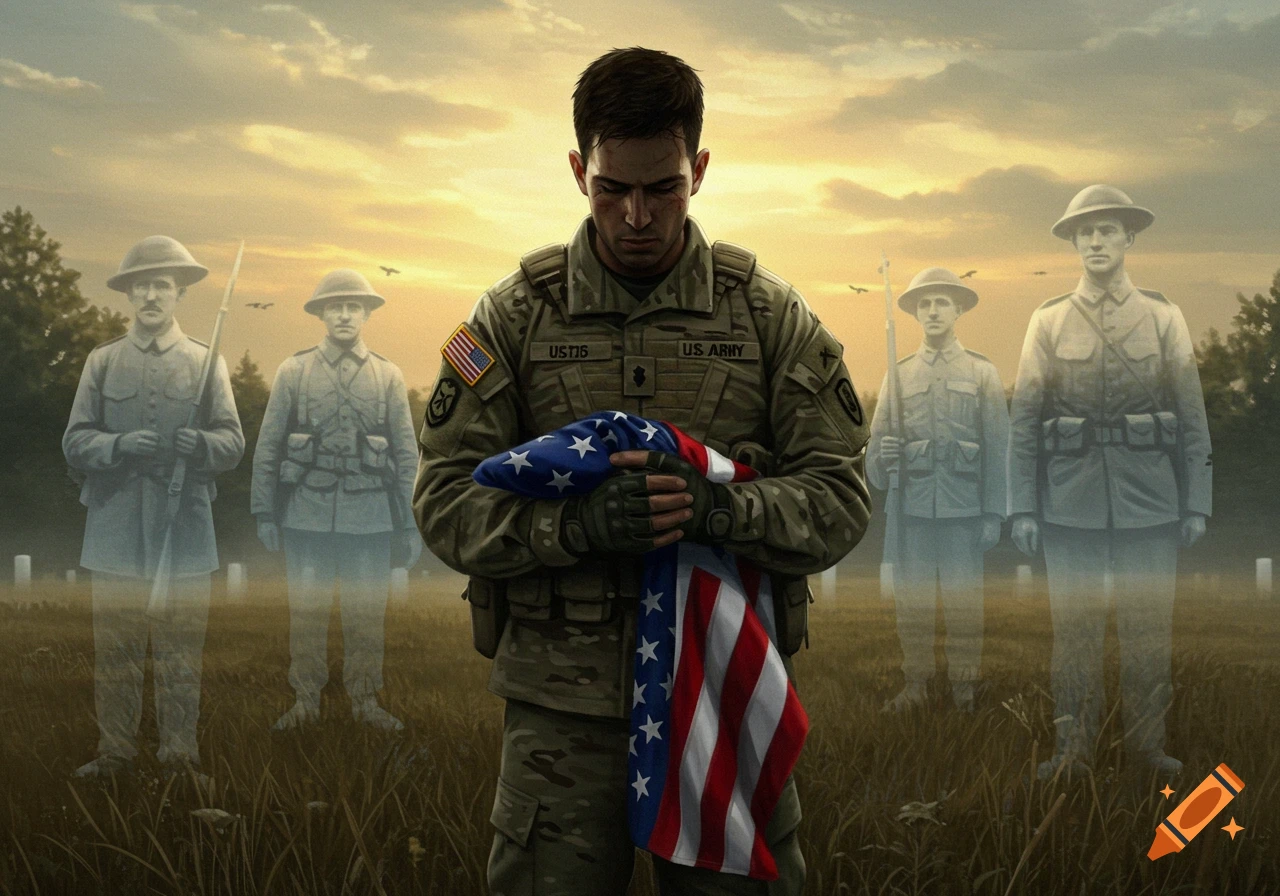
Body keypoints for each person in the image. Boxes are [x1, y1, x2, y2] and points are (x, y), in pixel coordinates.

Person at [414, 47, 872, 896]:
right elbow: (444, 502)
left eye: (663, 188)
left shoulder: (768, 316)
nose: (635, 216)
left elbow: (841, 499)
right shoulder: (511, 318)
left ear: (700, 170)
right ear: (577, 170)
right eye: (611, 188)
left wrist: (716, 512)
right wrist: (572, 527)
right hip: (562, 705)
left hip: (721, 693)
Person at [1008, 185, 1212, 780]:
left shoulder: (1164, 316)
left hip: (1151, 500)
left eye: (1107, 230)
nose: (1096, 241)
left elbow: (1192, 414)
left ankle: (1147, 750)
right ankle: (1073, 752)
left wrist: (1196, 502)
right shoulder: (1048, 320)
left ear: (1129, 238)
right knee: (1075, 634)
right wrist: (1024, 507)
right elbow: (1025, 420)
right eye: (1085, 232)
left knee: (1147, 632)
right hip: (1068, 502)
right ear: (1073, 242)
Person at [63, 235, 244, 779]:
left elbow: (233, 442)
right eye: (140, 285)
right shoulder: (102, 361)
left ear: (179, 293)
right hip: (115, 528)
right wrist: (117, 445)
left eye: (161, 285)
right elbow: (74, 441)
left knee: (180, 652)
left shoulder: (206, 361)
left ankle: (180, 756)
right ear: (128, 294)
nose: (150, 296)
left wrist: (202, 445)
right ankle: (115, 753)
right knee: (115, 652)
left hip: (183, 528)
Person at [251, 270, 422, 733]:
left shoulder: (388, 374)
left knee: (366, 615)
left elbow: (407, 454)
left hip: (370, 516)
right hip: (306, 513)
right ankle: (305, 700)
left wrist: (410, 524)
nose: (344, 315)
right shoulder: (294, 371)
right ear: (321, 314)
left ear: (366, 314)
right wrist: (264, 511)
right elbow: (269, 445)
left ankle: (365, 701)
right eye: (335, 307)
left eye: (353, 307)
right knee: (306, 612)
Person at [867, 267, 1008, 713]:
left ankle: (965, 690)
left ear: (958, 309)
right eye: (923, 304)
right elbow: (874, 460)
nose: (932, 311)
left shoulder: (982, 372)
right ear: (914, 313)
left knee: (965, 606)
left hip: (964, 511)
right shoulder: (898, 375)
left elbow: (998, 449)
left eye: (941, 302)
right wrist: (886, 454)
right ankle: (916, 686)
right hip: (911, 510)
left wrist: (993, 514)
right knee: (913, 605)